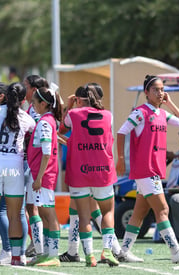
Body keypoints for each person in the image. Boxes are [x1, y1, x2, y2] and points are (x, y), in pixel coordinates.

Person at [116, 75, 179, 263]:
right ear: (146, 92)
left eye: (162, 89)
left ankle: (123, 251)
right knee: (162, 209)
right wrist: (121, 158)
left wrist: (170, 103)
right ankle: (175, 251)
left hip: (153, 170)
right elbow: (121, 132)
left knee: (139, 212)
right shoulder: (140, 113)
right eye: (156, 89)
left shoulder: (162, 114)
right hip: (145, 170)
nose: (160, 92)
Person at [59, 84, 119, 267]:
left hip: (80, 171)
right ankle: (107, 250)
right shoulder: (108, 115)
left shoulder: (73, 114)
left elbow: (61, 129)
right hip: (102, 171)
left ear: (78, 99)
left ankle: (89, 256)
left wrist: (69, 107)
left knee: (84, 216)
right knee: (107, 211)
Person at [0, 82, 35, 266]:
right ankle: (17, 256)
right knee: (14, 214)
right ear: (23, 99)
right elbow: (33, 140)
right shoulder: (26, 118)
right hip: (15, 165)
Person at [26, 87, 62, 267]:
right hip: (39, 174)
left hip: (44, 176)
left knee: (48, 213)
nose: (32, 105)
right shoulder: (46, 120)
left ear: (44, 104)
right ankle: (47, 253)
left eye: (34, 102)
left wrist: (39, 178)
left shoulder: (45, 122)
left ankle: (53, 255)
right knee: (43, 213)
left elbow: (47, 153)